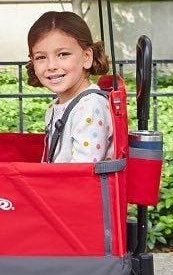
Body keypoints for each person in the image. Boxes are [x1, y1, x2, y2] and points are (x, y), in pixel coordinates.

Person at [27, 11, 114, 163]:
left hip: (76, 186)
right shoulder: (56, 105)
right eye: (41, 57)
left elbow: (83, 171)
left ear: (86, 57)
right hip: (59, 184)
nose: (52, 66)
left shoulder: (91, 106)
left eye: (63, 54)